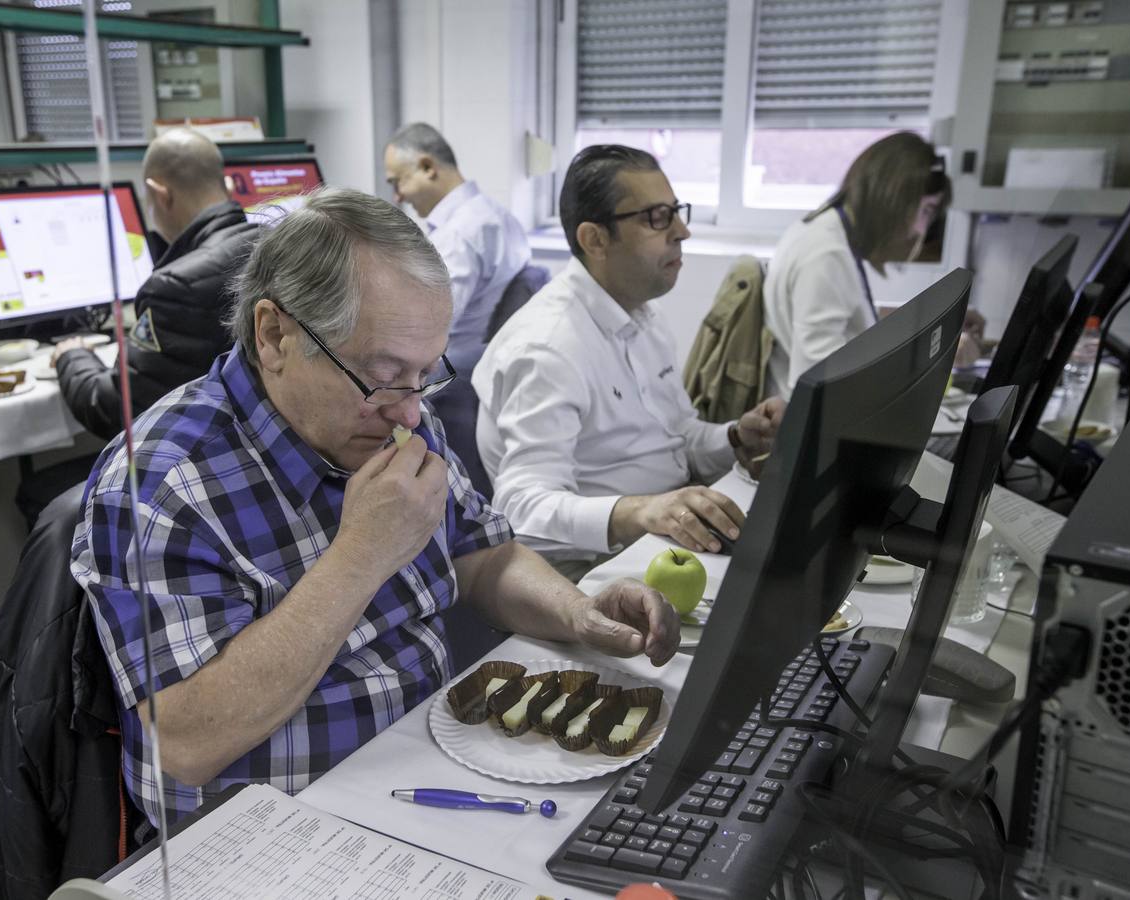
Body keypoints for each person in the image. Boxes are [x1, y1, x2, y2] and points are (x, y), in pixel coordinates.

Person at [70, 188, 681, 829]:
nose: (411, 410)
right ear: (275, 334)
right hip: (279, 831)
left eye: (424, 374)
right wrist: (362, 554)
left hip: (435, 774)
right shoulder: (161, 487)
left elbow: (479, 552)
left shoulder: (397, 413)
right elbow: (188, 742)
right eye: (382, 373)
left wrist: (577, 613)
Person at [473, 145, 784, 582]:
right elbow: (520, 509)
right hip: (589, 574)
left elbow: (677, 441)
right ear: (595, 239)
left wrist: (736, 438)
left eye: (677, 212)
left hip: (660, 545)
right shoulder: (547, 347)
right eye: (657, 218)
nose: (682, 231)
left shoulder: (642, 314)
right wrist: (642, 511)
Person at [53, 127, 257, 439]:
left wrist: (72, 355)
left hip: (200, 463)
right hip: (268, 448)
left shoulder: (174, 287)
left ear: (161, 195)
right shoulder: (273, 246)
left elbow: (115, 412)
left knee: (35, 488)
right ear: (228, 186)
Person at [762, 131, 957, 399]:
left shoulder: (828, 230)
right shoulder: (827, 255)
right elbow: (819, 382)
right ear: (894, 200)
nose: (920, 230)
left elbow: (847, 324)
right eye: (925, 211)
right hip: (820, 431)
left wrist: (930, 330)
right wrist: (929, 354)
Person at [383, 122, 530, 377]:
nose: (397, 197)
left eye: (398, 182)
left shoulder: (458, 236)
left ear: (427, 168)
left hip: (451, 376)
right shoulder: (499, 216)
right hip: (487, 364)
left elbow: (426, 329)